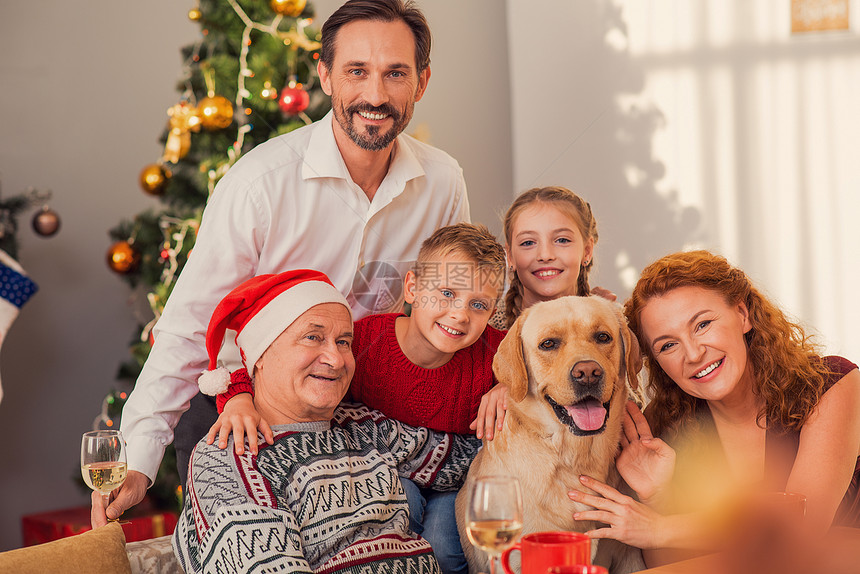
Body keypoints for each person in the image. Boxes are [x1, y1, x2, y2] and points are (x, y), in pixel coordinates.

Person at [92, 0, 470, 526]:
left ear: (422, 82)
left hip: (368, 417)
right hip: (241, 414)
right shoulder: (259, 184)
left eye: (396, 74)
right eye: (356, 71)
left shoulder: (443, 181)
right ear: (326, 76)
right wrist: (137, 461)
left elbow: (456, 303)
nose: (375, 95)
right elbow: (186, 329)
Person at [211, 222, 507, 574]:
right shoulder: (365, 342)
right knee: (397, 523)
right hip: (382, 472)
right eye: (445, 294)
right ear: (411, 288)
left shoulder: (495, 352)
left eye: (478, 304)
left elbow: (538, 372)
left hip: (452, 480)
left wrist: (509, 386)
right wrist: (239, 399)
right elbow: (267, 368)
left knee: (445, 550)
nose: (459, 314)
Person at [567, 250, 860, 568]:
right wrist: (656, 497)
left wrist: (658, 527)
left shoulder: (832, 384)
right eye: (668, 345)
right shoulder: (667, 426)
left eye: (702, 324)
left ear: (743, 315)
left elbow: (799, 525)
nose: (693, 354)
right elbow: (676, 564)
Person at [488, 186, 608, 331]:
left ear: (587, 251)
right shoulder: (482, 329)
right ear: (510, 256)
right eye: (528, 243)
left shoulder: (614, 324)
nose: (545, 255)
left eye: (562, 240)